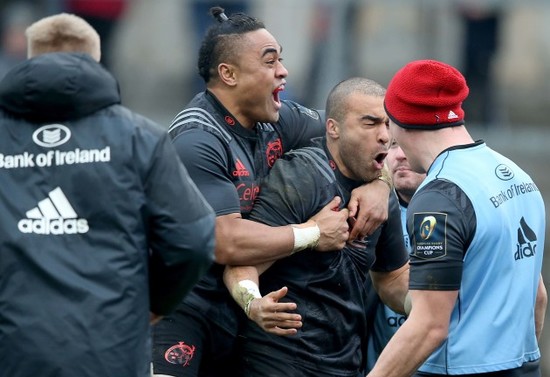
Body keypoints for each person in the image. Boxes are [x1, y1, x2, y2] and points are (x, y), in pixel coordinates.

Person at [151, 7, 392, 377]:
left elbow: (354, 135)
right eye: (269, 61)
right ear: (228, 74)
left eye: (281, 58)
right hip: (181, 304)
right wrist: (313, 233)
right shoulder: (197, 139)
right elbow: (225, 242)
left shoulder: (276, 119)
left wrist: (379, 183)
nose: (283, 71)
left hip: (241, 304)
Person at [0, 13, 215, 377]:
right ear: (95, 59)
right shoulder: (140, 138)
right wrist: (155, 304)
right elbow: (192, 239)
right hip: (110, 350)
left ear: (31, 60)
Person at [367, 59, 547, 377]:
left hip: (460, 369)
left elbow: (429, 326)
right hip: (524, 366)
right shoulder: (517, 178)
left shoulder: (439, 198)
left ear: (399, 122)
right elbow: (537, 298)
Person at [223, 77, 410, 377]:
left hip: (346, 363)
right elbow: (242, 263)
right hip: (279, 362)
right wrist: (253, 304)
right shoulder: (303, 176)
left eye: (388, 125)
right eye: (370, 123)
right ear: (333, 128)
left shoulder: (380, 195)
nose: (384, 137)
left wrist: (432, 302)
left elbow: (392, 278)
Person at [365, 139, 426, 373]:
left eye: (409, 144)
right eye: (392, 145)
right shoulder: (362, 209)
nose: (400, 155)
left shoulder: (464, 212)